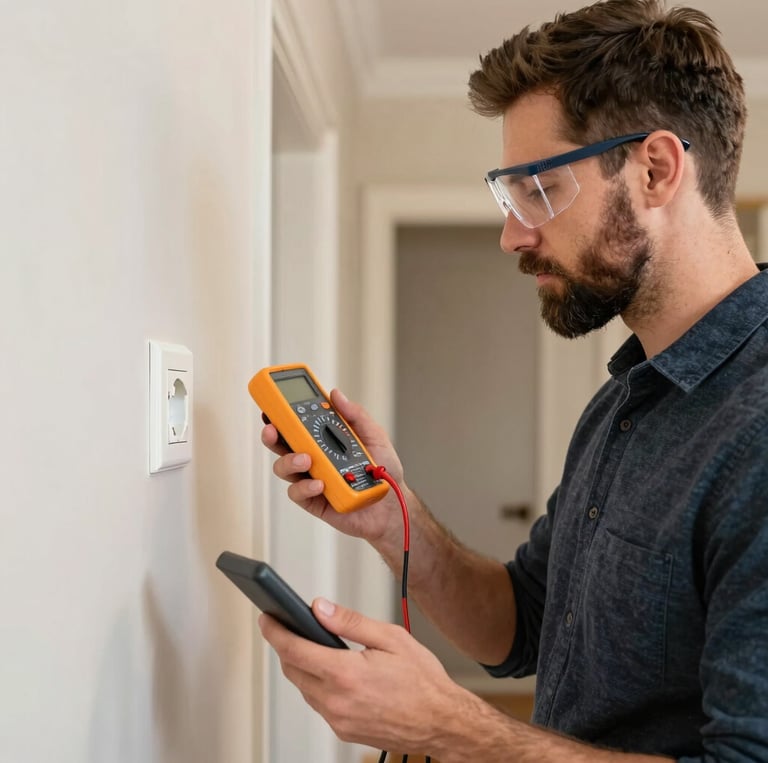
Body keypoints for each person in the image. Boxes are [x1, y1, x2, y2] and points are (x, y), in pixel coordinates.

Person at [259, 0, 768, 760]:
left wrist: (452, 728)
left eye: (539, 189)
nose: (513, 234)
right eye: (511, 196)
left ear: (656, 168)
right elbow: (523, 622)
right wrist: (400, 525)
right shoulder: (625, 400)